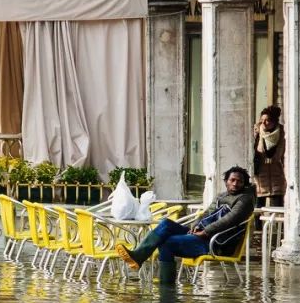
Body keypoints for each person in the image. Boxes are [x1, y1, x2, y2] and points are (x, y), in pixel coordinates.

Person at [116, 166, 256, 286]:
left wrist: (205, 232)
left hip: (217, 244)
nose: (235, 184)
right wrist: (196, 225)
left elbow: (229, 220)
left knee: (167, 243)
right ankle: (139, 255)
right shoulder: (221, 196)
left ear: (244, 184)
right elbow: (206, 213)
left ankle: (167, 291)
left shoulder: (245, 200)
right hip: (202, 235)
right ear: (226, 181)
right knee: (165, 224)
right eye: (232, 180)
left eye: (240, 181)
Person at [252, 105, 285, 207]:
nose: (264, 123)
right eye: (262, 120)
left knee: (277, 210)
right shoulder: (256, 133)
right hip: (260, 177)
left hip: (277, 175)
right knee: (258, 210)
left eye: (267, 120)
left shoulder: (282, 133)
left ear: (274, 121)